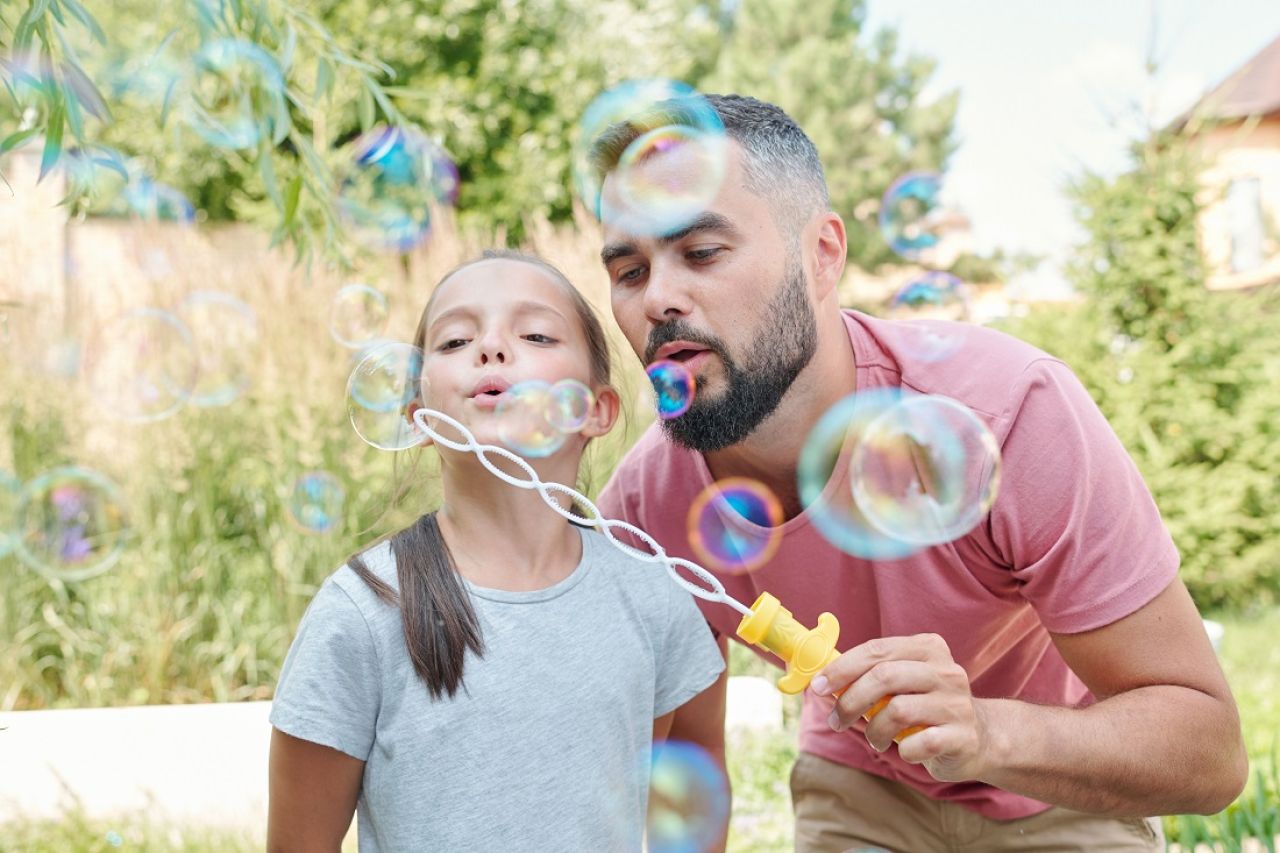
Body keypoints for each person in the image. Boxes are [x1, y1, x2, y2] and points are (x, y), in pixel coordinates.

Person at [592, 94, 1248, 852]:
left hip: (1059, 781)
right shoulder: (646, 505)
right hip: (861, 787)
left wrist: (982, 731)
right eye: (630, 270)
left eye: (702, 252)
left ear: (822, 256)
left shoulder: (1007, 413)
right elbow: (684, 759)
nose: (659, 299)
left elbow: (1211, 753)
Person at [266, 251, 726, 852]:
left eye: (535, 334)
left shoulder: (654, 597)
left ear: (596, 410)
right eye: (455, 340)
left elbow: (694, 774)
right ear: (420, 417)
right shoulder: (360, 614)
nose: (489, 347)